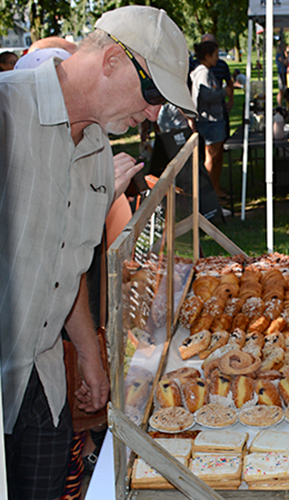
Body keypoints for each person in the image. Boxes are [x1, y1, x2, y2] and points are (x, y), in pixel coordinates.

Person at [0, 6, 195, 499]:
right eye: (153, 94)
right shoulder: (6, 112)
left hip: (42, 381)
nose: (154, 113)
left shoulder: (100, 151)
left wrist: (88, 351)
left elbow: (68, 266)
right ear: (112, 59)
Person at [190, 39, 232, 196]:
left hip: (213, 120)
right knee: (211, 158)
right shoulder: (203, 73)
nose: (217, 58)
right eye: (215, 55)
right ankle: (209, 194)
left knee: (216, 157)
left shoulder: (205, 71)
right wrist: (224, 92)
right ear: (207, 56)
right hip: (210, 121)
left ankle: (215, 189)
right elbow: (206, 95)